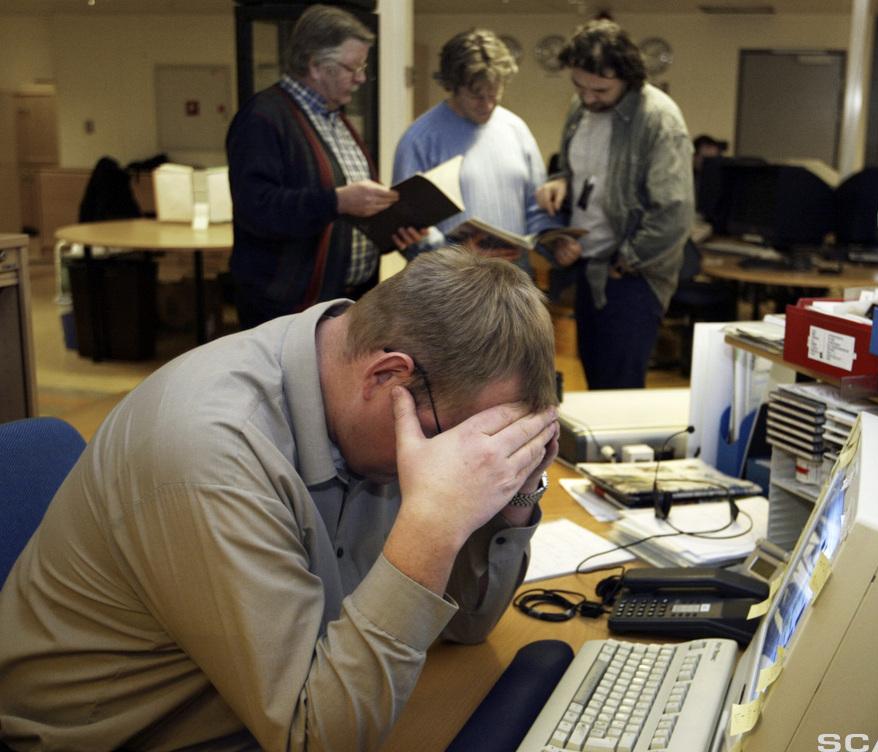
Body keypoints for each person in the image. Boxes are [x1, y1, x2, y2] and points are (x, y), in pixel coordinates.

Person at [0, 247, 560, 750]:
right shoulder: (212, 454)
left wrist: (516, 492)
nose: (465, 464)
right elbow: (312, 738)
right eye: (462, 441)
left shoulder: (370, 393)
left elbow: (466, 628)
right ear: (389, 377)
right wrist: (432, 525)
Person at [226, 5, 422, 329]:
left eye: (363, 67)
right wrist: (337, 201)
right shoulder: (263, 118)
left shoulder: (336, 118)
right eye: (352, 68)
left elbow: (349, 214)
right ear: (316, 66)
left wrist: (393, 229)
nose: (360, 78)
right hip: (288, 311)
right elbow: (257, 208)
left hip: (343, 303)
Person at [536, 19, 695, 390]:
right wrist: (559, 181)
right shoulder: (581, 107)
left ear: (629, 78)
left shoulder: (658, 119)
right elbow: (580, 170)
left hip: (631, 275)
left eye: (600, 89)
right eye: (579, 85)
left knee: (618, 391)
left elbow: (673, 212)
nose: (588, 97)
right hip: (588, 265)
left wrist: (626, 262)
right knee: (595, 380)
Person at [392, 28, 579, 277]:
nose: (488, 104)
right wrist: (462, 253)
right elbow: (408, 228)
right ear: (452, 86)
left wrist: (555, 243)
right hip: (448, 284)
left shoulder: (516, 129)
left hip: (514, 276)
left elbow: (536, 208)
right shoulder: (420, 138)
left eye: (494, 94)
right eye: (476, 95)